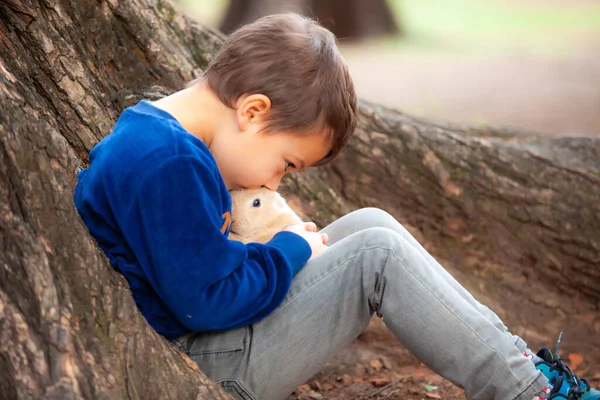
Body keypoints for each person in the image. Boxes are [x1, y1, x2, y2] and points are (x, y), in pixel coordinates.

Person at [73, 13, 598, 400]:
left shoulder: (160, 141)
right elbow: (206, 302)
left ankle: (518, 368)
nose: (276, 179)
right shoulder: (168, 162)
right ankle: (528, 392)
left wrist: (289, 250)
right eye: (286, 163)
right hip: (212, 366)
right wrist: (288, 249)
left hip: (220, 341)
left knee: (371, 226)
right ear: (254, 112)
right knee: (376, 255)